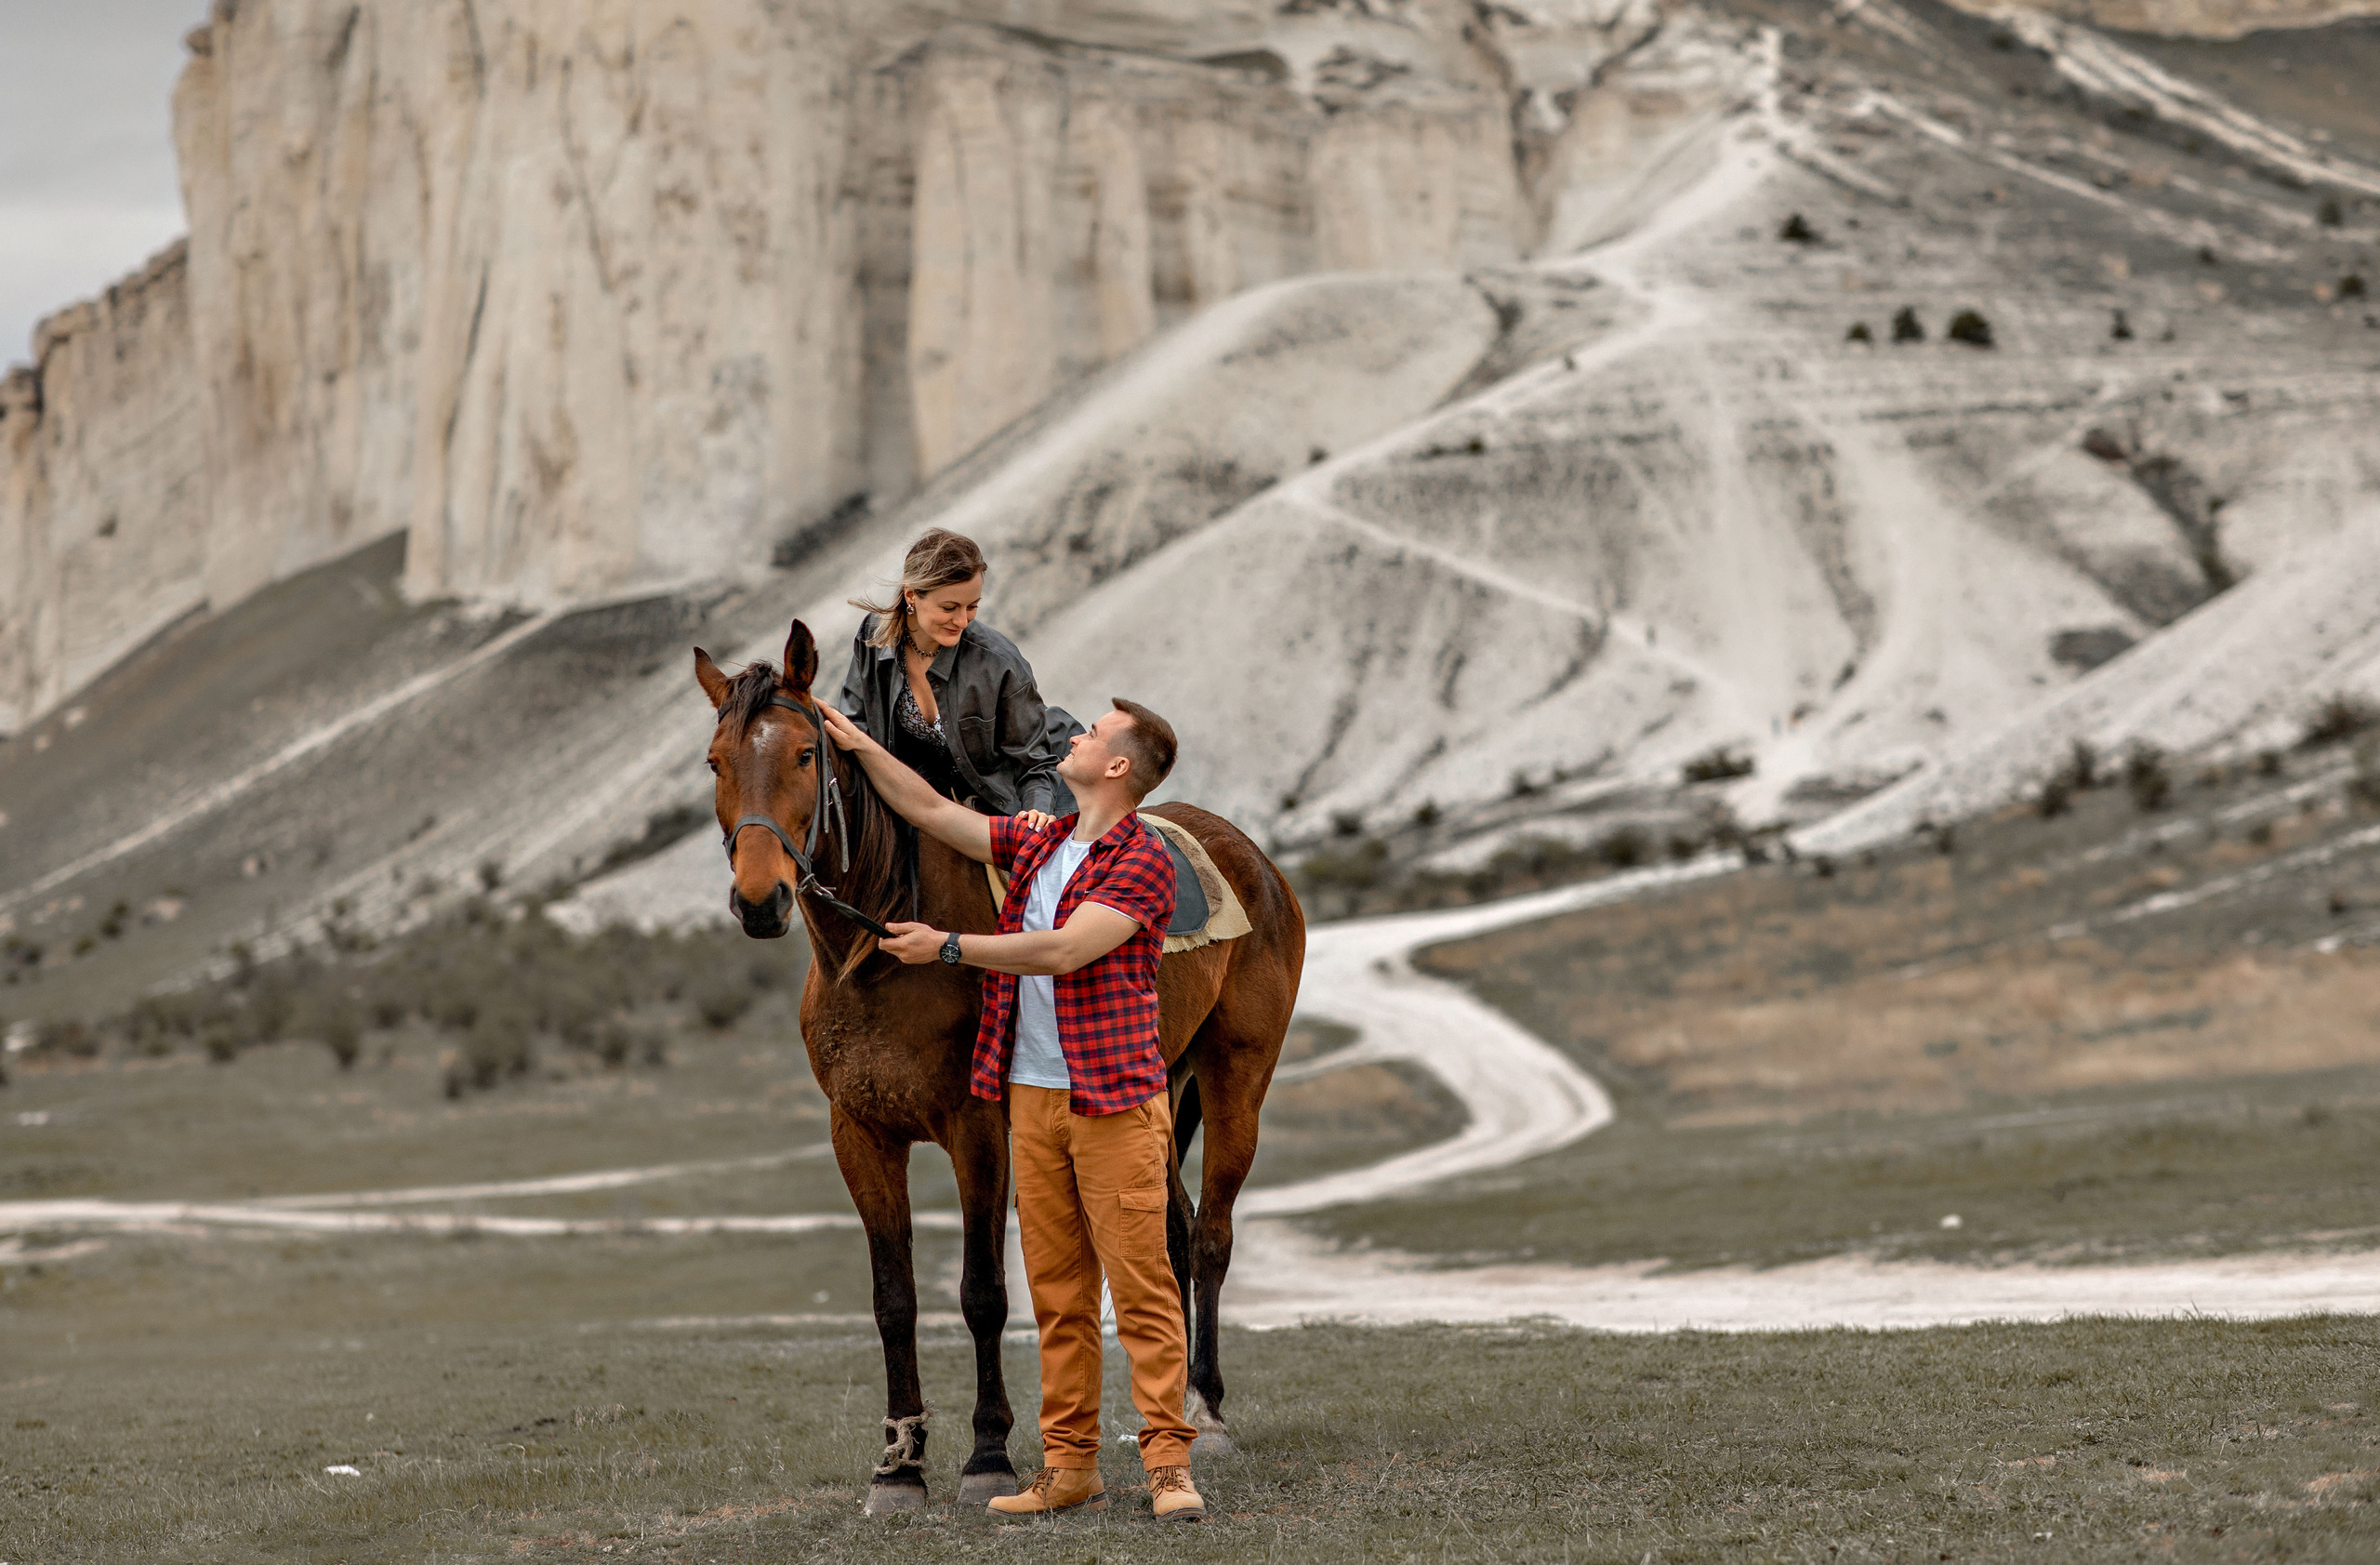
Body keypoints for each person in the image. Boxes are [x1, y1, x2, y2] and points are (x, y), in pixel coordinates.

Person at [817, 696, 1208, 1524]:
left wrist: (948, 946)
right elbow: (932, 812)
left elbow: (1065, 950)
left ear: (1118, 767)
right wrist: (858, 744)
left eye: (1092, 733)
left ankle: (1169, 1464)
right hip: (1032, 1099)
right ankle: (1069, 1466)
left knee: (1141, 1291)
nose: (1075, 735)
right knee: (1058, 1294)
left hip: (1113, 1100)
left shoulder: (1143, 860)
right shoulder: (1043, 840)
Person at [839, 527, 1078, 830]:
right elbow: (854, 728)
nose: (962, 620)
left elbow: (1035, 763)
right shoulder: (874, 637)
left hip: (1025, 794)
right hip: (933, 800)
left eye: (972, 606)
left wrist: (1036, 813)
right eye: (949, 608)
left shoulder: (997, 662)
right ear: (911, 595)